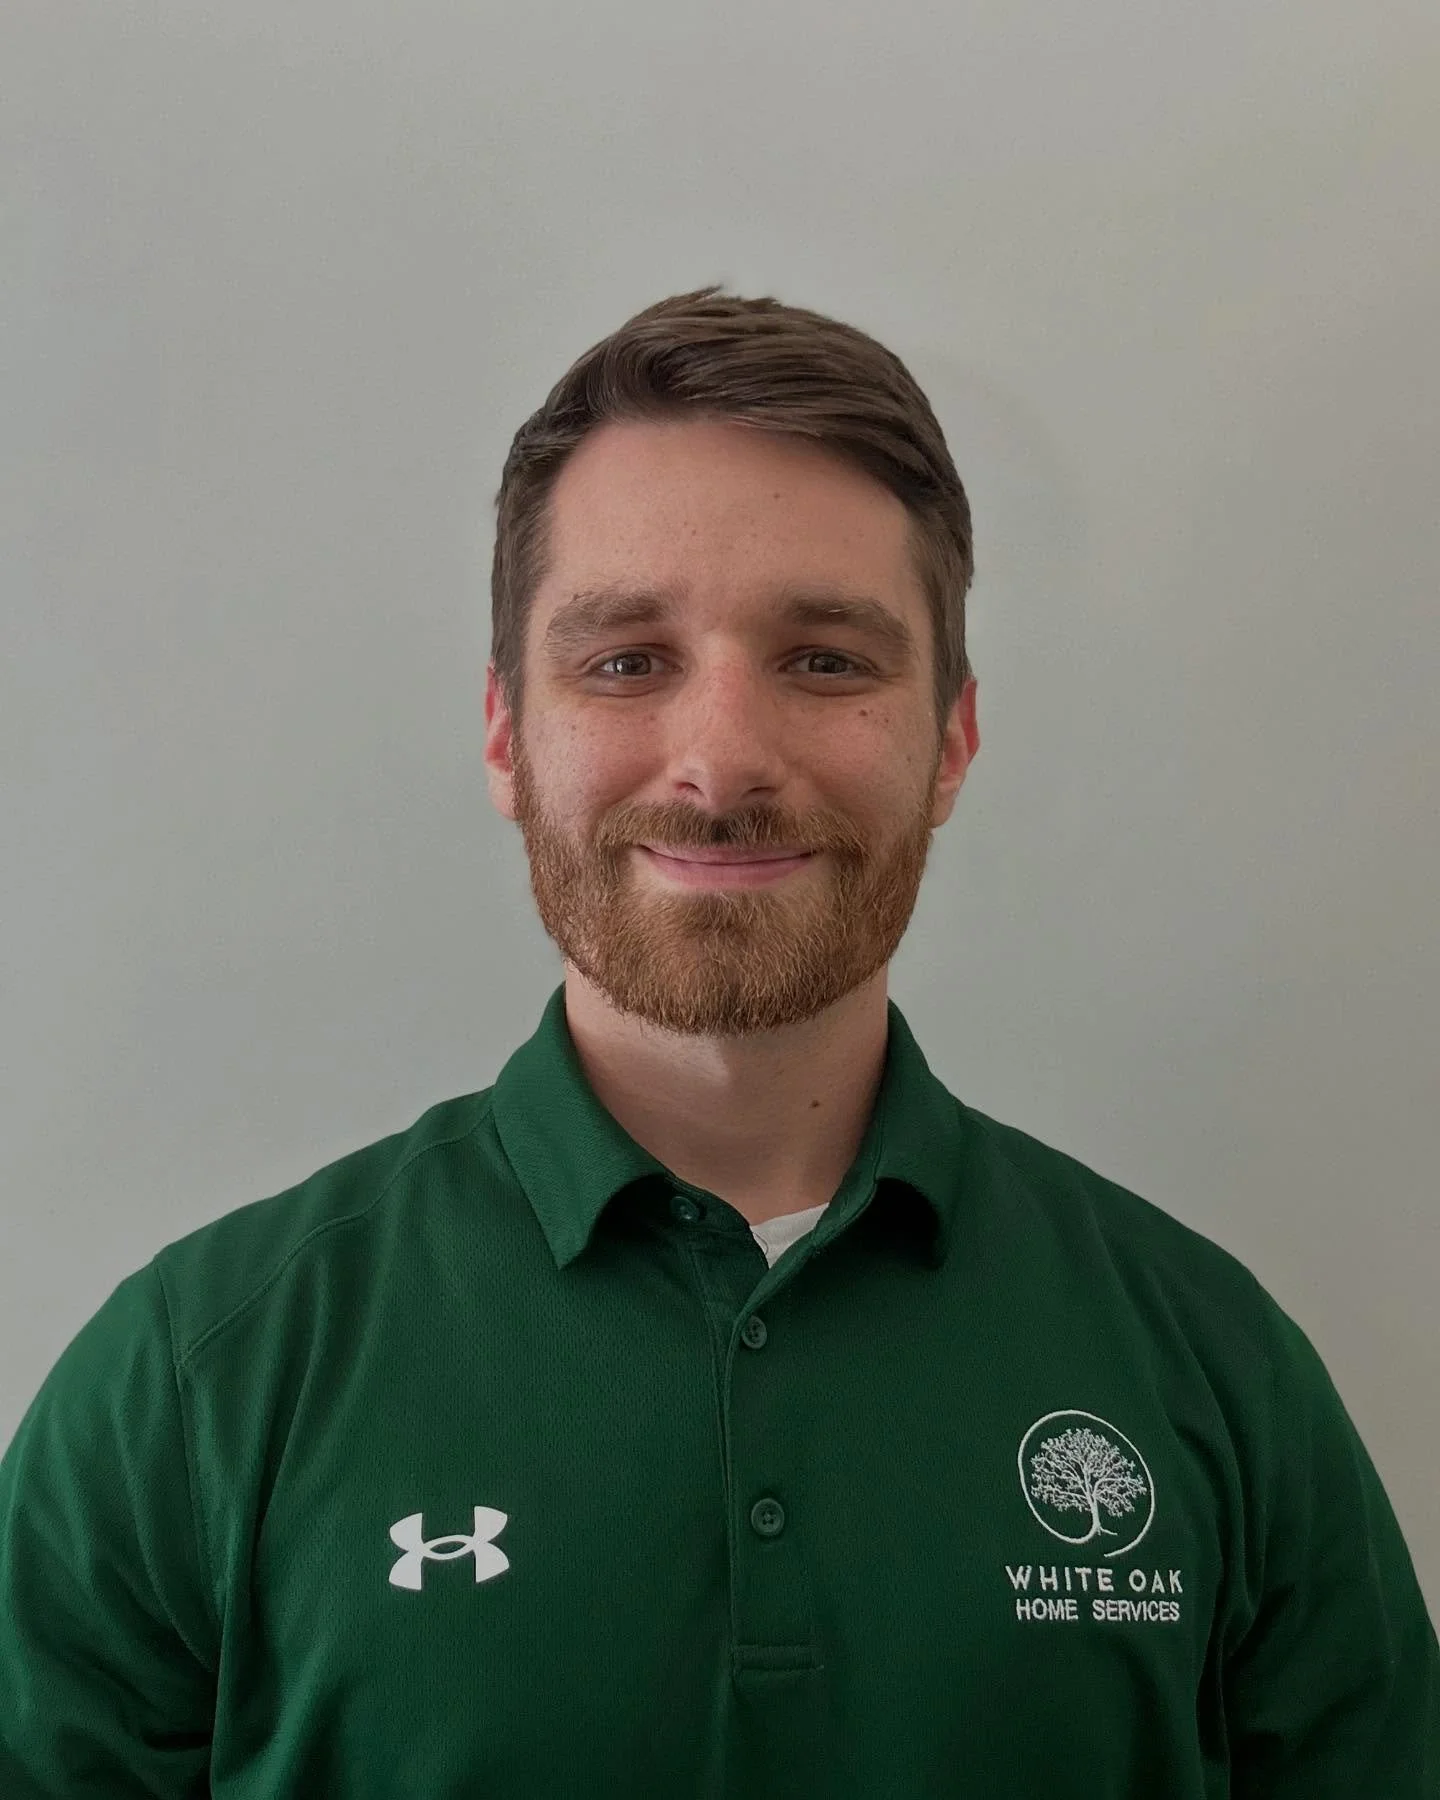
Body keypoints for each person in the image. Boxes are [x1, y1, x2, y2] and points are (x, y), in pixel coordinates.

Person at [1, 285, 1436, 1798]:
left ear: (950, 738)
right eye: (625, 659)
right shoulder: (198, 1383)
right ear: (507, 734)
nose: (720, 761)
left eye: (825, 659)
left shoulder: (1210, 1367)